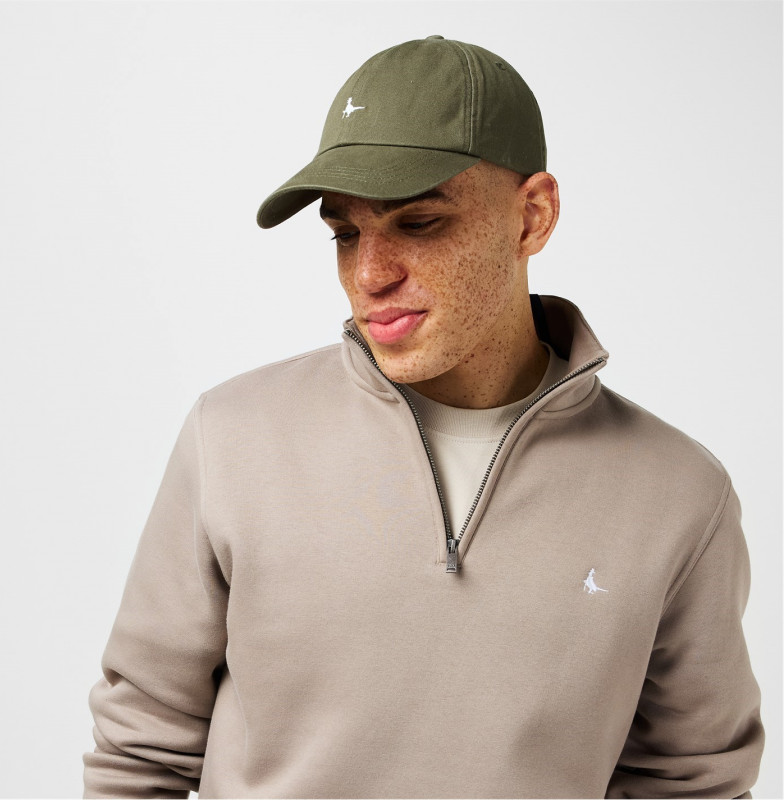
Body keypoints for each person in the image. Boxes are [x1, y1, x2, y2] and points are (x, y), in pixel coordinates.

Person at [83, 36, 764, 798]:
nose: (369, 274)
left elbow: (690, 781)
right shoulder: (233, 439)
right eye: (345, 233)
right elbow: (137, 757)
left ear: (532, 217)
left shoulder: (678, 495)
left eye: (419, 223)